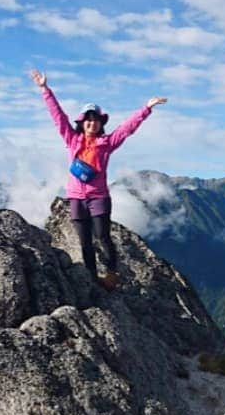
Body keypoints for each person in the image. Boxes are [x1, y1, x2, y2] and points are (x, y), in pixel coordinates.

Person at [30, 68, 166, 290]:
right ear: (82, 122)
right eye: (88, 120)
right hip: (75, 197)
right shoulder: (72, 140)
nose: (92, 124)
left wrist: (146, 109)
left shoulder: (108, 143)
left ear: (101, 123)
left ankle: (112, 274)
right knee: (85, 243)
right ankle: (93, 278)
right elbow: (58, 117)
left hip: (98, 197)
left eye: (96, 121)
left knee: (103, 237)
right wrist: (45, 89)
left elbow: (126, 129)